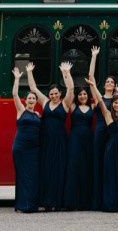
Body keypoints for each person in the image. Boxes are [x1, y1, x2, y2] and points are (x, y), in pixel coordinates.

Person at [27, 61, 74, 211]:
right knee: (46, 170)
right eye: (51, 93)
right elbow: (33, 88)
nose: (53, 95)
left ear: (60, 94)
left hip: (59, 141)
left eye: (56, 93)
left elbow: (71, 88)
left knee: (58, 170)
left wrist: (66, 73)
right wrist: (29, 72)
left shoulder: (65, 104)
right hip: (46, 141)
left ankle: (56, 201)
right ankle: (46, 201)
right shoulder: (45, 102)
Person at [86, 72, 118, 212]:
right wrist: (93, 85)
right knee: (111, 175)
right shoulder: (108, 115)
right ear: (112, 104)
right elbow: (100, 101)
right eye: (115, 103)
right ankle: (110, 203)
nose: (117, 105)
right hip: (111, 149)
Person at [89, 46, 118, 210]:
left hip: (113, 134)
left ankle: (110, 197)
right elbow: (91, 78)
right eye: (107, 81)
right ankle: (98, 200)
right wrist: (94, 56)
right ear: (104, 85)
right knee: (98, 164)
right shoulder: (99, 97)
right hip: (100, 131)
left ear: (115, 85)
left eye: (111, 82)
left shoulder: (117, 97)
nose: (109, 83)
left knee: (110, 165)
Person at [11, 67, 41, 213]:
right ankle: (23, 205)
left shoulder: (37, 114)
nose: (31, 100)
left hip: (34, 149)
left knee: (33, 176)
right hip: (21, 148)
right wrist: (17, 78)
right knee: (22, 175)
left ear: (36, 101)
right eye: (29, 98)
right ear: (26, 100)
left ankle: (31, 204)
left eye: (33, 98)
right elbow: (14, 94)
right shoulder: (21, 110)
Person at [63, 84, 95, 210]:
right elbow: (69, 92)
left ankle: (85, 202)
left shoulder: (92, 106)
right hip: (75, 139)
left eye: (85, 94)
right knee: (74, 167)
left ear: (88, 96)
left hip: (88, 139)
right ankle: (72, 202)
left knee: (86, 167)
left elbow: (98, 97)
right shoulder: (73, 106)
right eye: (80, 94)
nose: (82, 96)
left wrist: (92, 84)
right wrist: (66, 74)